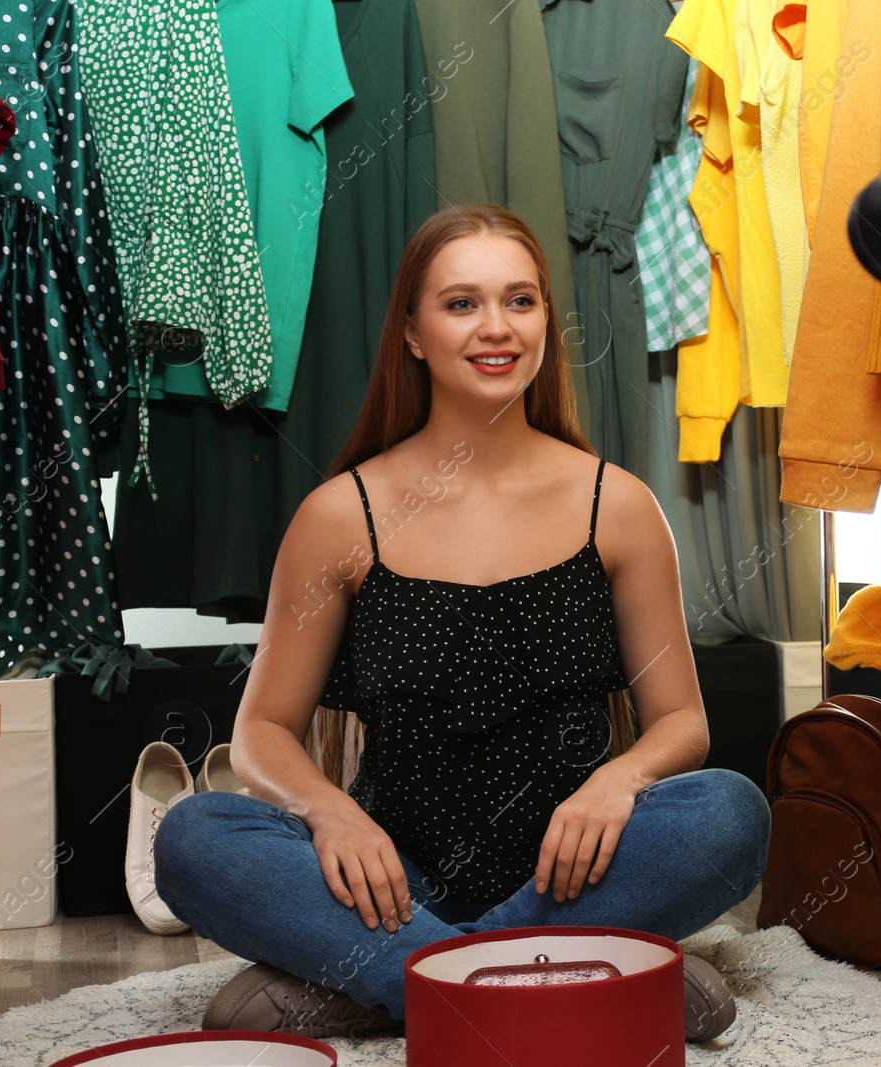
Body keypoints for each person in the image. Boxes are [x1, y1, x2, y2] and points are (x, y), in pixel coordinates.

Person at [154, 204, 770, 1042]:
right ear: (411, 332)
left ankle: (392, 985)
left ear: (547, 320)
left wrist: (617, 780)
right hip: (386, 881)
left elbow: (682, 722)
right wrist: (331, 811)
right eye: (461, 303)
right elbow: (262, 729)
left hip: (576, 874)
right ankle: (579, 977)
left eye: (521, 301)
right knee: (194, 832)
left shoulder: (619, 506)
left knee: (731, 811)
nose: (497, 327)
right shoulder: (340, 515)